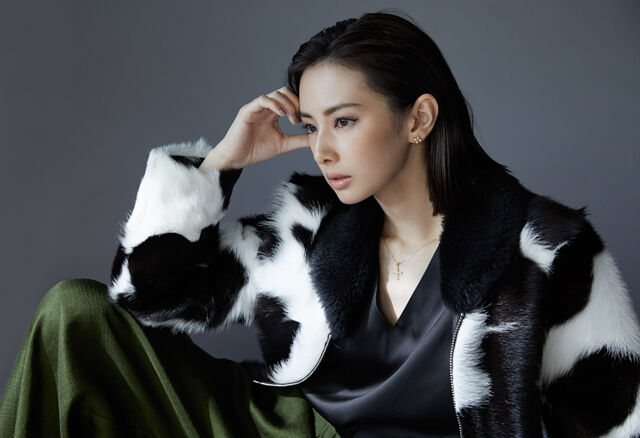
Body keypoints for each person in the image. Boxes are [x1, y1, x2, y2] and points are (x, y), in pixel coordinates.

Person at [2, 9, 639, 438]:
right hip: (295, 429)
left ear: (418, 119)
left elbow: (617, 422)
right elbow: (144, 296)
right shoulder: (307, 228)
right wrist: (222, 163)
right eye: (311, 126)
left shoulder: (544, 250)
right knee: (73, 310)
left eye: (345, 121)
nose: (322, 150)